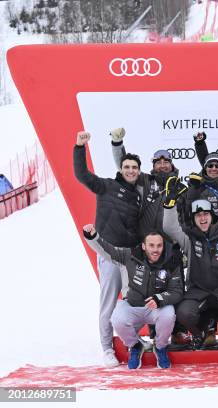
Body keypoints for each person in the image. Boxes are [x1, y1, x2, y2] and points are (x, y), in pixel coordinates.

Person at [162, 184, 218, 370]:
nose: (202, 218)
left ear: (212, 216)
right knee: (183, 312)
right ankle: (201, 332)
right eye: (198, 215)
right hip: (199, 292)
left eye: (205, 214)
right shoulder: (189, 239)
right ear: (194, 219)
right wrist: (169, 206)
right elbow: (170, 227)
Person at [73, 131, 142, 367]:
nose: (131, 171)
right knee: (109, 303)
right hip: (109, 255)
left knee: (133, 302)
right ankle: (106, 348)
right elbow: (81, 175)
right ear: (120, 168)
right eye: (127, 167)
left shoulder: (138, 195)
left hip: (130, 258)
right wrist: (79, 147)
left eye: (134, 168)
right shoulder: (106, 186)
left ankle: (133, 343)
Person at [83, 226, 183, 369]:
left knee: (169, 314)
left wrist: (159, 299)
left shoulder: (170, 261)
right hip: (133, 306)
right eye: (151, 245)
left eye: (159, 245)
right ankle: (135, 345)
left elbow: (177, 291)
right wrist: (93, 237)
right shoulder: (131, 256)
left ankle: (160, 347)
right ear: (143, 246)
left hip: (155, 308)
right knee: (117, 317)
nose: (156, 249)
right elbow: (107, 250)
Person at [109, 128, 179, 239]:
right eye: (158, 163)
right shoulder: (145, 180)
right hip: (144, 241)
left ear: (171, 165)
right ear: (153, 166)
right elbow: (126, 167)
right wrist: (117, 143)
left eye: (166, 162)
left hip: (170, 243)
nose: (162, 165)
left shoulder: (180, 187)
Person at [179, 148, 218, 236]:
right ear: (205, 168)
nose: (214, 168)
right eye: (210, 165)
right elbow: (188, 213)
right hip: (208, 237)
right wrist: (194, 188)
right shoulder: (197, 188)